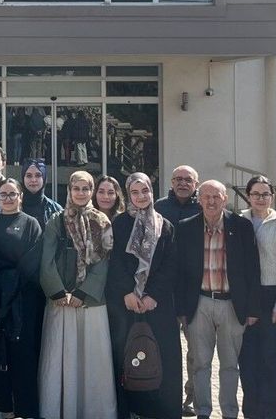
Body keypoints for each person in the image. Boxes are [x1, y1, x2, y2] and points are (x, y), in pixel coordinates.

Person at [173, 179, 261, 419]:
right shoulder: (186, 227)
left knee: (230, 365)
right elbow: (179, 272)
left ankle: (229, 412)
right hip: (199, 304)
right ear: (199, 199)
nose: (211, 201)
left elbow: (253, 270)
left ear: (225, 199)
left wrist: (253, 309)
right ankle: (203, 411)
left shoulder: (241, 227)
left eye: (216, 197)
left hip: (232, 304)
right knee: (200, 363)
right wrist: (181, 309)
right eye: (206, 196)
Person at [39, 170, 117, 419]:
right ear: (69, 190)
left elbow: (103, 262)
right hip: (61, 301)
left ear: (91, 191)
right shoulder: (56, 220)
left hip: (91, 302)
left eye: (86, 189)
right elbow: (47, 259)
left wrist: (83, 293)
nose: (81, 193)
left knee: (92, 358)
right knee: (60, 357)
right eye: (76, 188)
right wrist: (59, 292)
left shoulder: (102, 221)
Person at [105, 173, 181, 419]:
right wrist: (127, 292)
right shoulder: (118, 223)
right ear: (128, 194)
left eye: (145, 191)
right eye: (135, 192)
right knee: (126, 357)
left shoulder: (165, 226)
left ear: (151, 191)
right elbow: (114, 261)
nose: (140, 196)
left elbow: (170, 266)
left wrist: (152, 295)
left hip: (156, 306)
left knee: (161, 358)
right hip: (125, 305)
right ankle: (130, 410)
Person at [0, 178, 45, 419]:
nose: (8, 198)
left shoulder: (31, 224)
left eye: (13, 194)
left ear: (20, 197)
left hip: (22, 300)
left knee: (23, 355)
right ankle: (3, 406)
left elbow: (33, 262)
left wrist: (10, 285)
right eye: (3, 194)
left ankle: (26, 408)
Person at [238, 175, 276, 419]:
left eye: (265, 194)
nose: (260, 198)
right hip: (246, 296)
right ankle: (251, 411)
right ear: (248, 196)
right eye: (256, 194)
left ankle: (273, 412)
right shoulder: (238, 221)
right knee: (248, 358)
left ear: (272, 196)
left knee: (272, 359)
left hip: (273, 296)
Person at [155, 164, 202, 417]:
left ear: (196, 184)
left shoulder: (203, 207)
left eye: (188, 180)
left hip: (194, 290)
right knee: (165, 347)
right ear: (171, 182)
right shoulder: (159, 208)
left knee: (196, 350)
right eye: (178, 179)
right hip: (164, 289)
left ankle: (191, 398)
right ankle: (165, 395)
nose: (183, 183)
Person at [20, 159, 62, 229]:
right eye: (29, 176)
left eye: (38, 175)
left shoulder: (55, 209)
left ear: (44, 178)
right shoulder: (13, 206)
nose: (33, 180)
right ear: (23, 178)